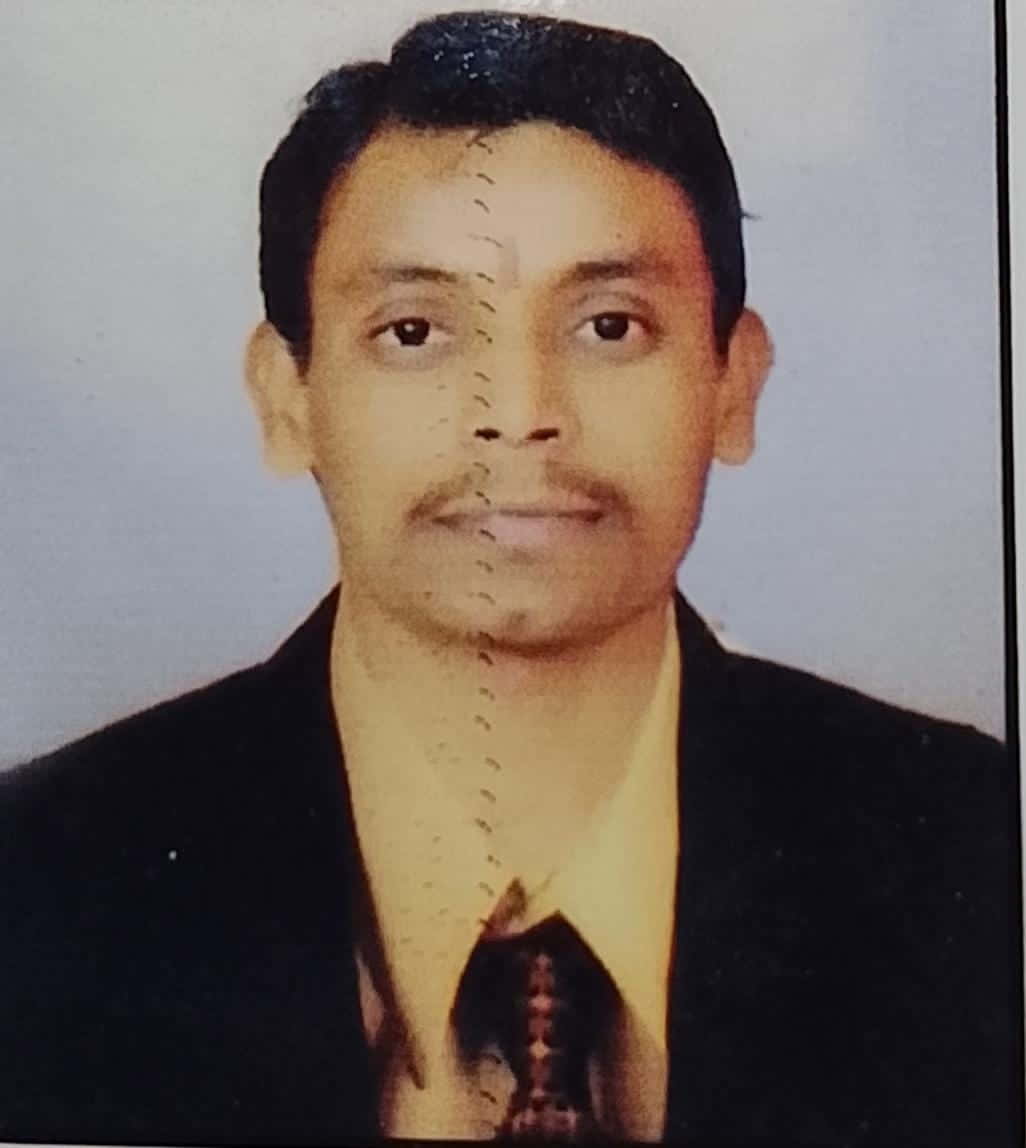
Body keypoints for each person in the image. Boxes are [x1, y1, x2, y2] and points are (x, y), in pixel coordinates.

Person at [0, 9, 1019, 1146]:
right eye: (415, 332)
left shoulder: (981, 852)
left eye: (610, 324)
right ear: (287, 398)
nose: (519, 413)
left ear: (733, 382)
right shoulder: (37, 883)